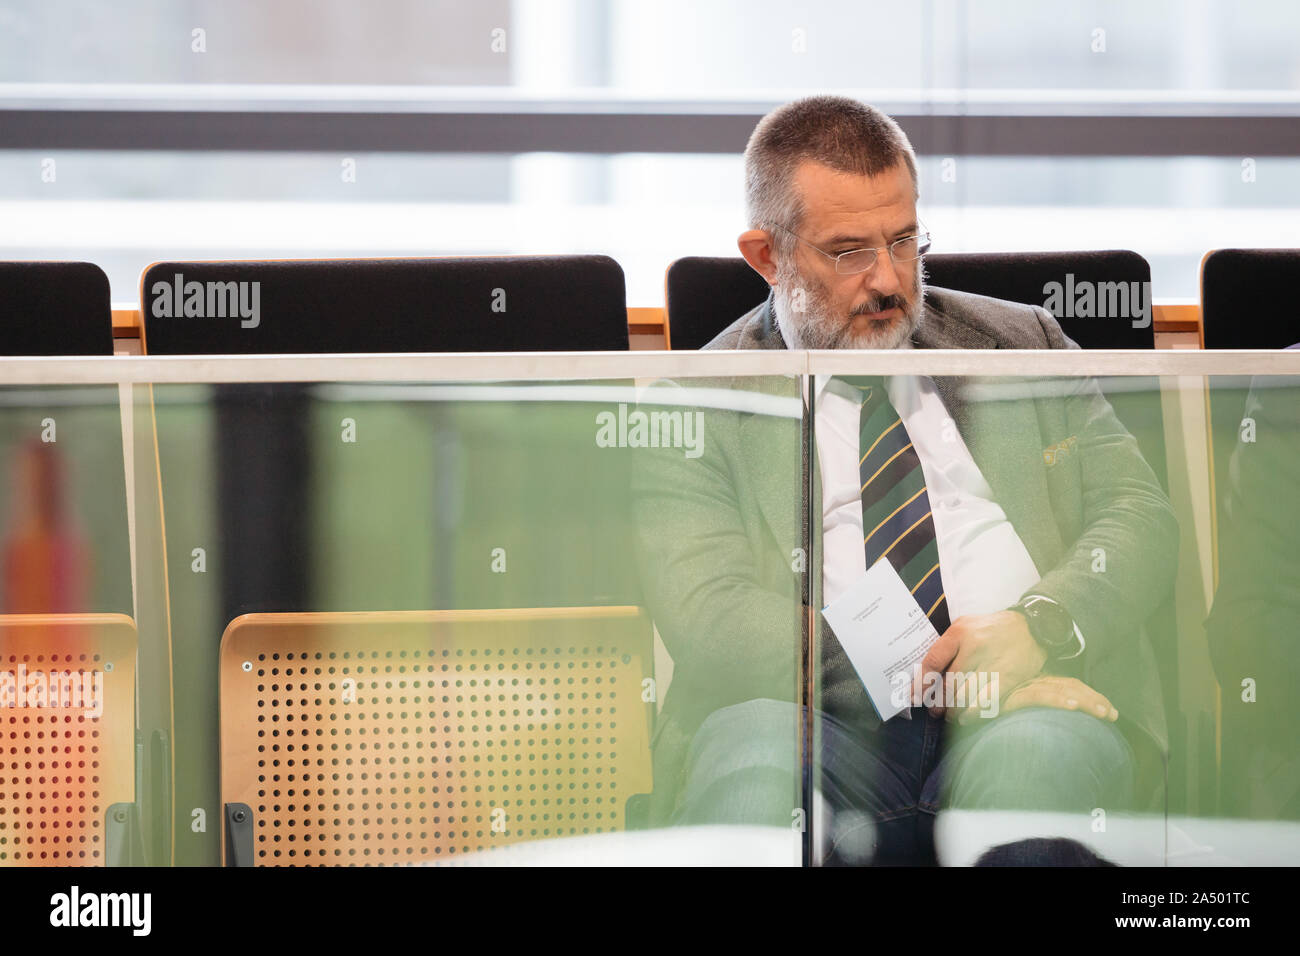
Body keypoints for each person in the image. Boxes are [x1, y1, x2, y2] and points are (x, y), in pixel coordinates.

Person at [631, 95, 1179, 864]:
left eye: (905, 240)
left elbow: (1139, 515)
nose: (890, 280)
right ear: (767, 255)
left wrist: (1039, 631)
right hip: (805, 720)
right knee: (753, 781)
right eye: (850, 251)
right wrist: (959, 684)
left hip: (1037, 699)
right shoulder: (694, 406)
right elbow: (715, 618)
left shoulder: (1025, 343)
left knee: (1037, 776)